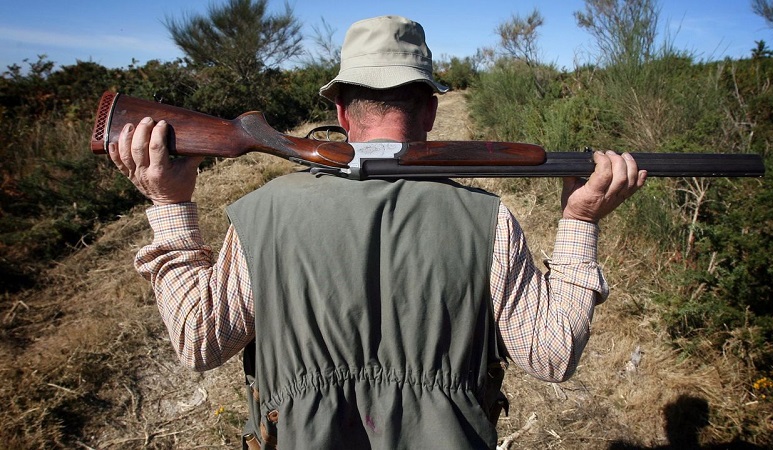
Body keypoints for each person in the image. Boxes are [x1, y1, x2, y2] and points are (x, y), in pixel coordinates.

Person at [108, 15, 646, 450]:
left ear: (341, 110)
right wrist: (579, 222)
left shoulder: (263, 212)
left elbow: (200, 342)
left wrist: (170, 202)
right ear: (431, 109)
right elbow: (551, 356)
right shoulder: (488, 218)